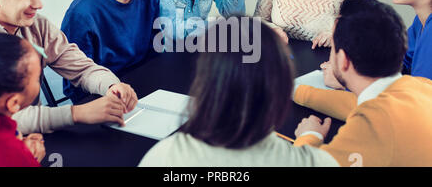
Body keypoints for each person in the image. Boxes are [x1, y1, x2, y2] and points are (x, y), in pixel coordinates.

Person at [139, 17, 338, 167]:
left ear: (204, 82)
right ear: (281, 87)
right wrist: (309, 138)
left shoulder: (162, 158)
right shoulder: (317, 162)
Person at [0, 0, 137, 135]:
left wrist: (112, 86)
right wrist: (75, 113)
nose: (39, 4)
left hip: (35, 137)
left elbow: (82, 68)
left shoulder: (38, 25)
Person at [293, 0, 432, 167]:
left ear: (344, 60)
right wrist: (294, 91)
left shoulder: (369, 129)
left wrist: (309, 137)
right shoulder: (421, 86)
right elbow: (353, 104)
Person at [0, 34, 45, 167]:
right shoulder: (14, 157)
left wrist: (19, 141)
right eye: (37, 78)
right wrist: (27, 157)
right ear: (14, 103)